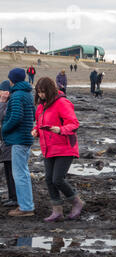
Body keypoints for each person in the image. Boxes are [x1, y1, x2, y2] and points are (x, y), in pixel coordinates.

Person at [31, 77, 83, 222]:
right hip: (48, 148)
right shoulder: (41, 106)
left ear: (50, 90)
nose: (41, 95)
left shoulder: (62, 103)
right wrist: (36, 131)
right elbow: (40, 124)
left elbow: (74, 124)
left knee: (58, 179)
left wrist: (60, 130)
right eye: (39, 92)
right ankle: (57, 211)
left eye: (43, 92)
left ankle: (77, 202)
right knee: (49, 179)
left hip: (65, 147)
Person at [2, 68, 35, 217]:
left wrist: (4, 129)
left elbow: (16, 117)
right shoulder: (28, 94)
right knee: (24, 173)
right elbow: (33, 114)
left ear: (12, 79)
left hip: (18, 139)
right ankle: (27, 204)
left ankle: (26, 207)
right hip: (26, 138)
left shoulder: (16, 96)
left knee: (19, 174)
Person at [0, 80, 17, 207]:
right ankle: (12, 196)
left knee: (11, 171)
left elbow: (1, 116)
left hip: (11, 142)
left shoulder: (8, 103)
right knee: (8, 170)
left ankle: (15, 198)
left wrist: (2, 101)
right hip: (7, 142)